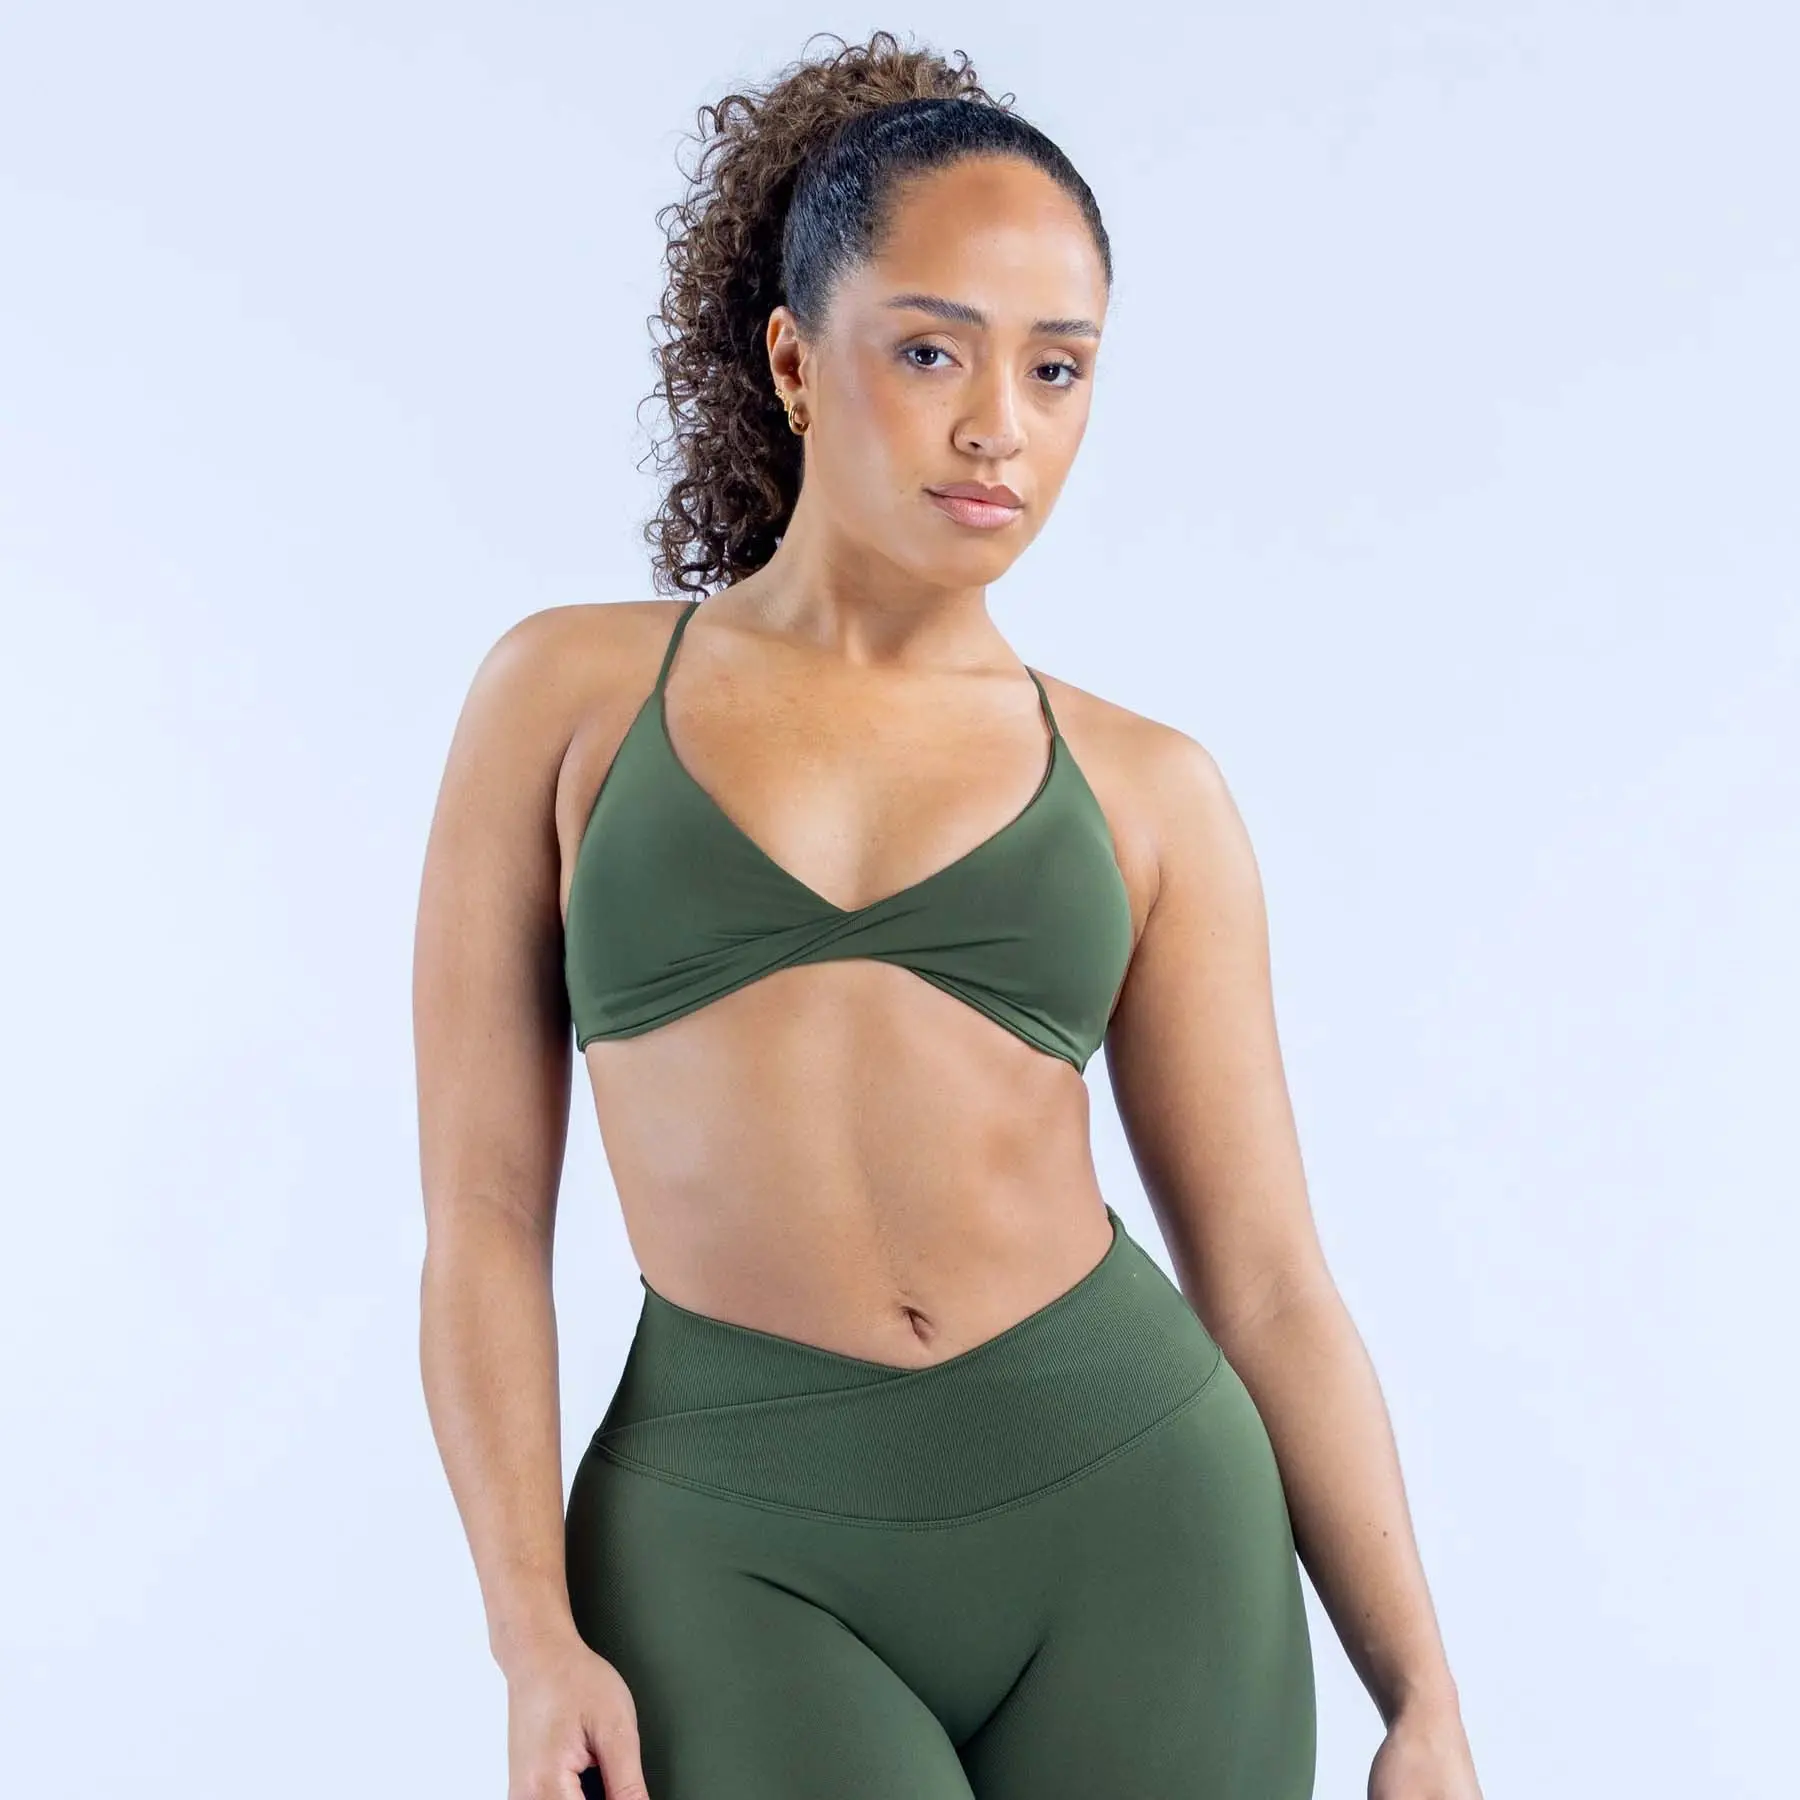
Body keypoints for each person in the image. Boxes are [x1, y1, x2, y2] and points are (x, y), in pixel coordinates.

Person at [413, 29, 1484, 1800]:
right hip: (729, 1544)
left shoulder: (1149, 789)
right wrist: (534, 1637)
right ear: (795, 360)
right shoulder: (568, 699)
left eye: (1057, 369)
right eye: (932, 350)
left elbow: (1271, 1280)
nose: (1000, 424)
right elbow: (481, 1213)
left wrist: (1421, 1695)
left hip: (1140, 1518)